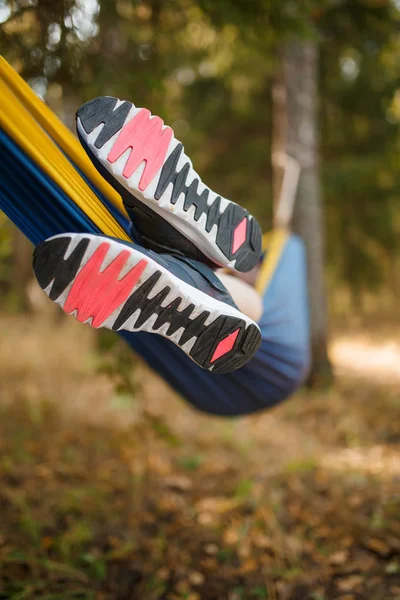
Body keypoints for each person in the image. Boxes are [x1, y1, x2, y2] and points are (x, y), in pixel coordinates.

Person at [32, 96, 264, 374]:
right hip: (239, 296)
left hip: (236, 290)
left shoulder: (270, 267)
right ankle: (185, 265)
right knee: (250, 306)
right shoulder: (266, 272)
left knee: (249, 304)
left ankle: (183, 264)